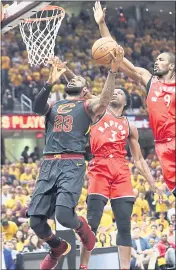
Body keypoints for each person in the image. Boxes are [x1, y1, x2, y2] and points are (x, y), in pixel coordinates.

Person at [27, 50, 124, 270]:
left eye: (78, 79)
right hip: (49, 163)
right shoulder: (54, 105)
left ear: (85, 90)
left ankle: (82, 228)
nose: (73, 79)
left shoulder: (87, 107)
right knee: (35, 222)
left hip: (72, 162)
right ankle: (57, 247)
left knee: (63, 214)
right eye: (71, 78)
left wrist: (112, 71)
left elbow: (106, 98)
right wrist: (49, 83)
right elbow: (36, 109)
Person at [93, 1, 176, 197]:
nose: (157, 61)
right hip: (162, 145)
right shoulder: (149, 80)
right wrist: (102, 25)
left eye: (162, 59)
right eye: (156, 59)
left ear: (171, 66)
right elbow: (120, 60)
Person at [79, 87, 155, 270]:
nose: (115, 92)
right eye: (114, 91)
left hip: (120, 169)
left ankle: (124, 267)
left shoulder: (130, 126)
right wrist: (69, 74)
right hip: (100, 166)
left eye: (120, 92)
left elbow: (138, 160)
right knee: (93, 222)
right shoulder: (99, 111)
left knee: (124, 225)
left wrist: (153, 184)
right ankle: (83, 266)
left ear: (126, 102)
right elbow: (85, 89)